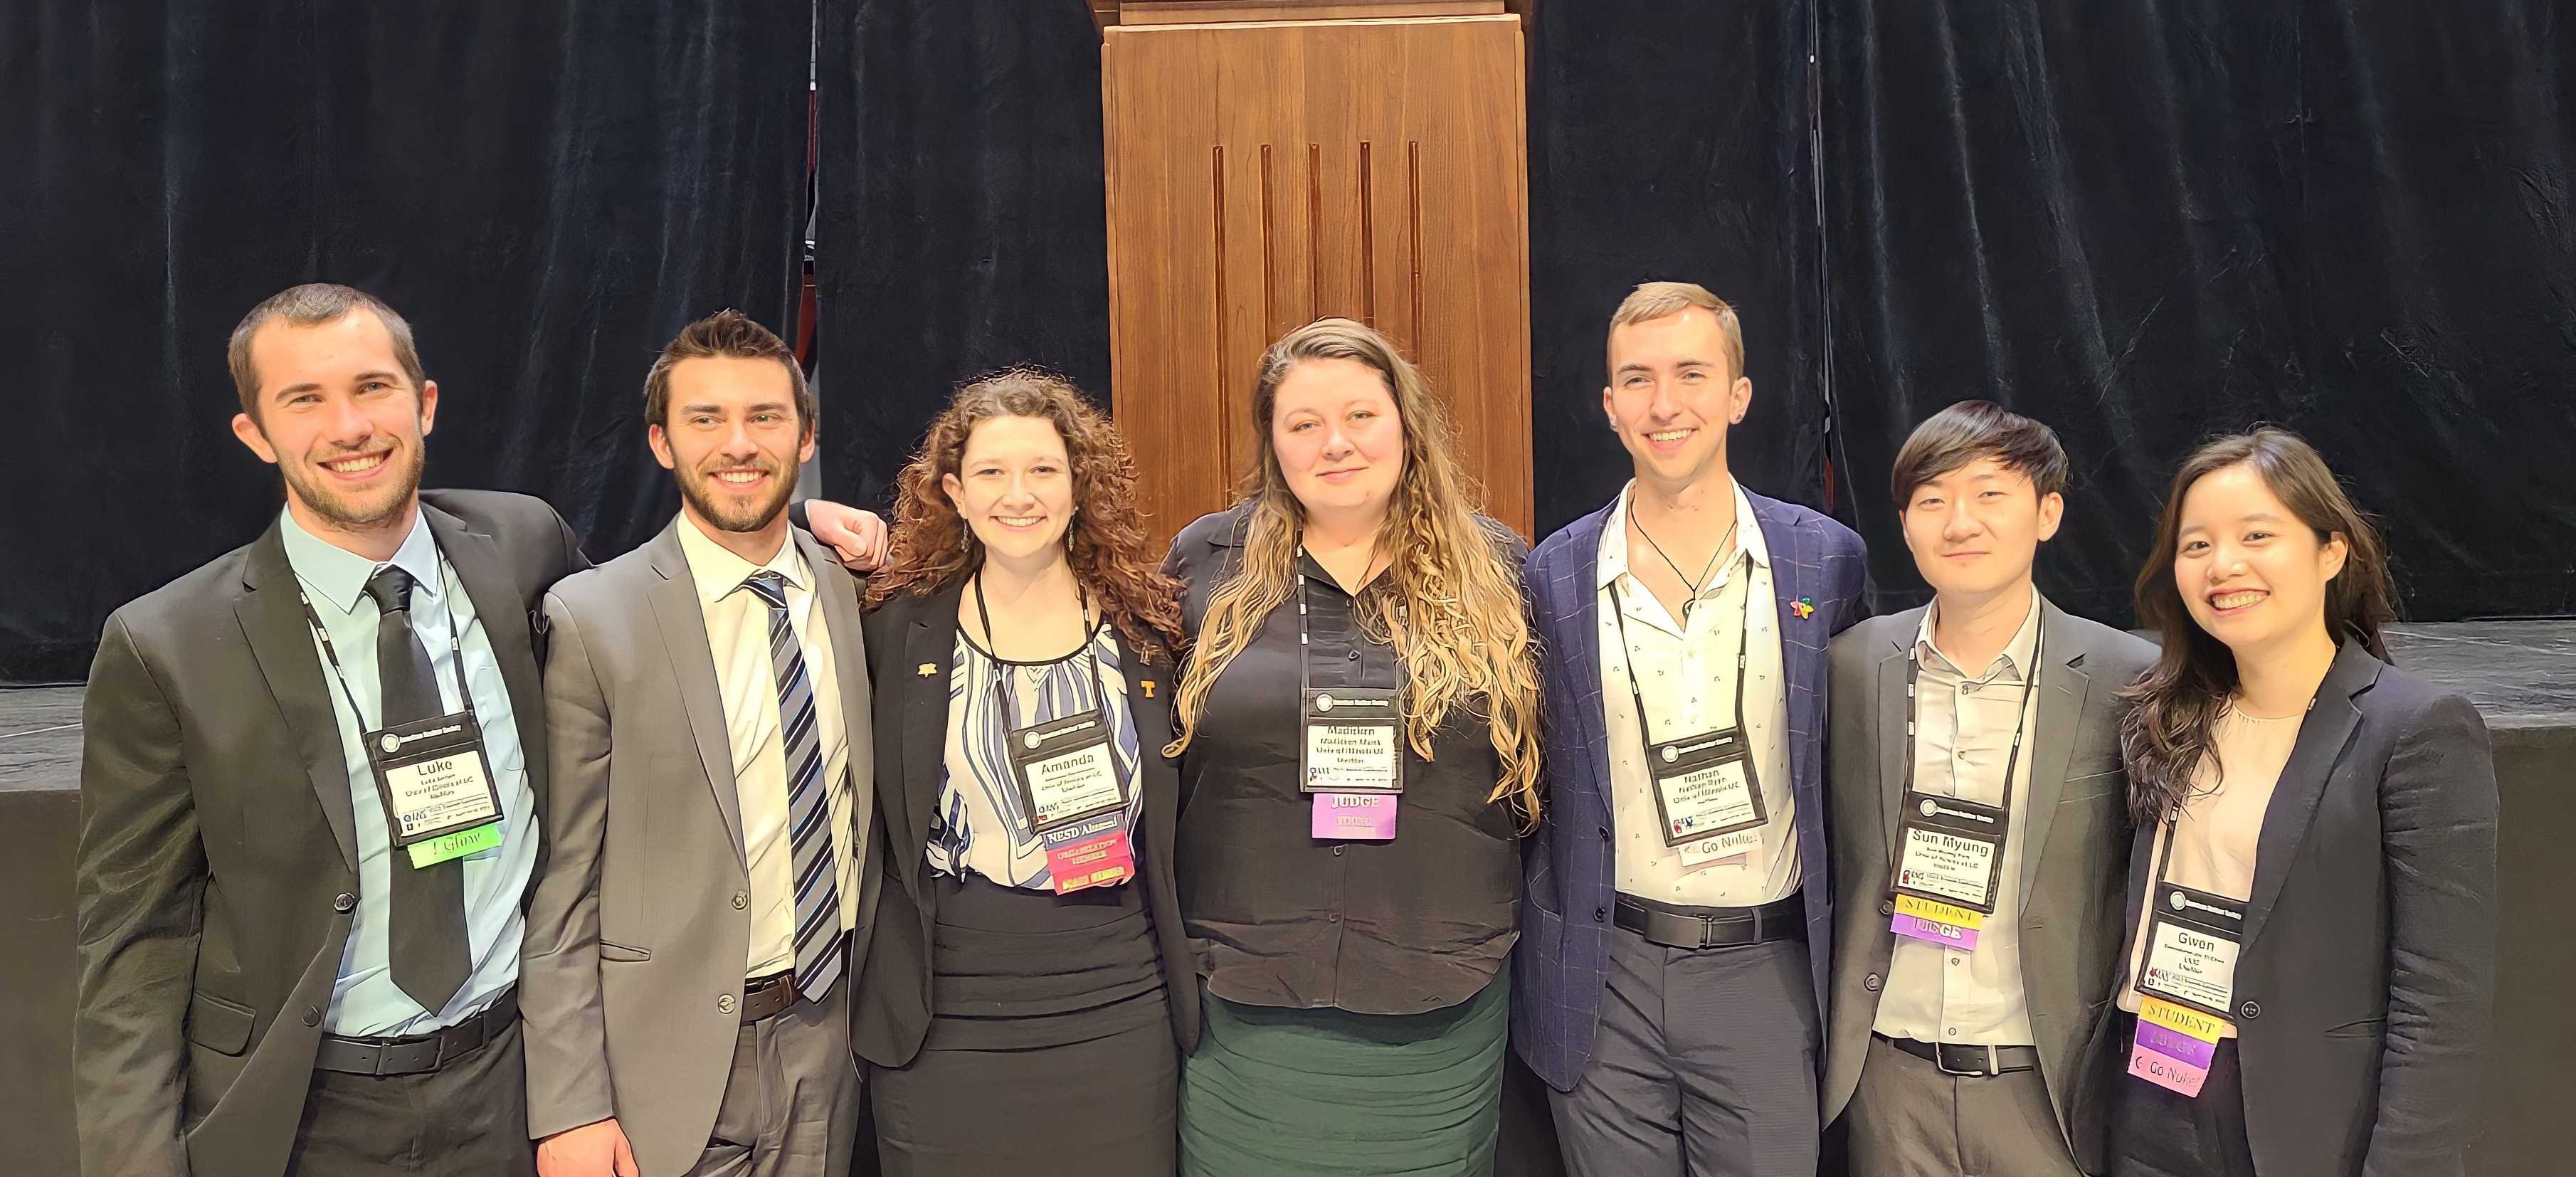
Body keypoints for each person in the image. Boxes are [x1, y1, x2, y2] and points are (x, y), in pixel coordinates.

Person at [73, 284, 886, 1177]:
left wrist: (799, 521)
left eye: (373, 388)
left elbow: (668, 586)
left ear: (423, 405)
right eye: (304, 400)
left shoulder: (519, 544)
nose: (349, 426)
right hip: (308, 1105)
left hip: (510, 1080)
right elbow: (133, 948)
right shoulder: (168, 644)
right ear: (256, 434)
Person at [1160, 317, 1541, 1176]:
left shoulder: (1497, 568)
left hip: (1439, 987)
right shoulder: (1205, 563)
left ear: (1404, 424)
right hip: (1246, 994)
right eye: (1303, 424)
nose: (1335, 443)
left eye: (1361, 416)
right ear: (1273, 444)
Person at [1514, 281, 1867, 1177]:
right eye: (1636, 379)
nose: (1663, 404)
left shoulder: (1821, 559)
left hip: (1764, 970)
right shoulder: (1552, 571)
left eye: (1689, 374)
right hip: (1603, 971)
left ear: (1737, 395)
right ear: (1607, 406)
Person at [522, 310, 878, 1177]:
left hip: (833, 1036)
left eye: (764, 416)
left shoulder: (854, 586)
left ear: (805, 433)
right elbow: (561, 884)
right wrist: (570, 1105)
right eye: (704, 419)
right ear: (660, 442)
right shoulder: (594, 616)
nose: (738, 444)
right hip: (664, 1061)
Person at [2103, 428, 2495, 1177]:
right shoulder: (2162, 714)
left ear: (2329, 550)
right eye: (2196, 545)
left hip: (2301, 1124)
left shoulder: (2414, 728)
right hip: (2147, 1096)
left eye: (2256, 535)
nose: (2224, 566)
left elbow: (2439, 1005)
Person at [852, 369, 1197, 1175]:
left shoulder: (1147, 631)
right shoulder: (895, 628)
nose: (1019, 495)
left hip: (1114, 998)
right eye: (992, 473)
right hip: (946, 1012)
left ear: (1080, 484)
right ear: (954, 491)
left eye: (1043, 470)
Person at [1818, 401, 2157, 1176]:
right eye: (1931, 500)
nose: (1958, 521)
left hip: (2045, 1088)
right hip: (1888, 1080)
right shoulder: (1850, 666)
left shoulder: (2122, 679)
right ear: (1903, 523)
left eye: (1989, 494)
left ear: (2047, 512)